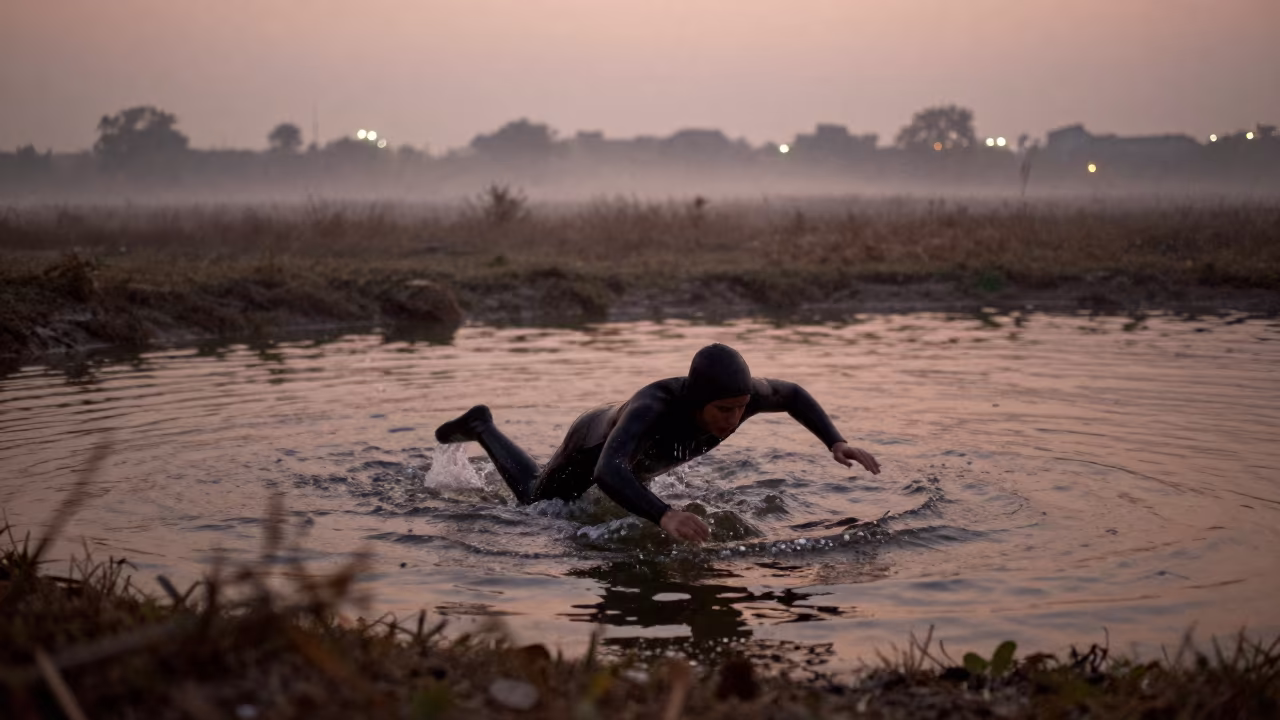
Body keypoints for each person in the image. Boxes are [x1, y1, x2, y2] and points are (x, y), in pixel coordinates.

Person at [434, 343, 881, 544]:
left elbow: (793, 394)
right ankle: (482, 426)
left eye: (742, 408)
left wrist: (835, 442)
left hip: (635, 454)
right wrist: (663, 515)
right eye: (724, 410)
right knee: (536, 501)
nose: (734, 419)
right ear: (697, 401)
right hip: (595, 443)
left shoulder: (743, 398)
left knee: (635, 482)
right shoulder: (653, 408)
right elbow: (608, 472)